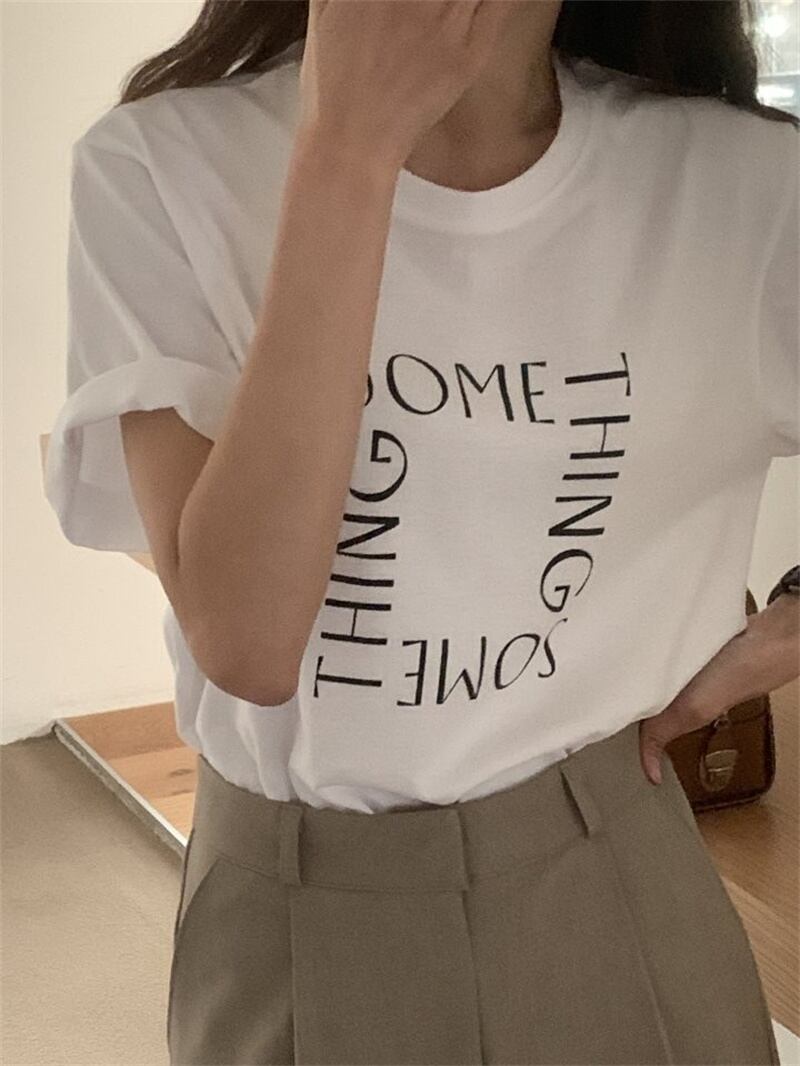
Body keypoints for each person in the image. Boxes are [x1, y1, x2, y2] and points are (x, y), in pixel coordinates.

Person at [43, 1, 799, 1063]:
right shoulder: (159, 167)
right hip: (285, 907)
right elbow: (248, 641)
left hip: (611, 881)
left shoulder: (738, 183)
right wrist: (348, 152)